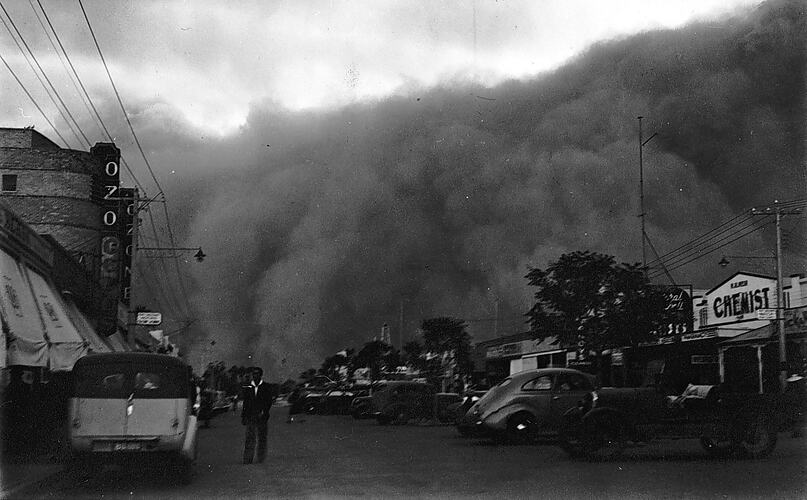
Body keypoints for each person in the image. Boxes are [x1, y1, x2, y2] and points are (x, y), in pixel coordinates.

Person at [241, 367, 274, 464]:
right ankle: (248, 458)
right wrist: (243, 416)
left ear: (261, 375)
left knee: (262, 437)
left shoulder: (266, 387)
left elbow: (269, 402)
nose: (255, 376)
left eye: (257, 374)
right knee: (249, 438)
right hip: (250, 416)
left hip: (262, 416)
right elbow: (245, 403)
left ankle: (261, 457)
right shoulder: (248, 388)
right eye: (253, 374)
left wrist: (265, 411)